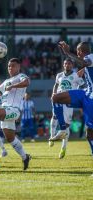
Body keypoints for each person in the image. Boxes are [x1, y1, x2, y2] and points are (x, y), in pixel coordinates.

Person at [0, 58, 31, 170]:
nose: (10, 68)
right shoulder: (5, 82)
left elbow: (27, 82)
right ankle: (25, 157)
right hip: (6, 110)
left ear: (18, 67)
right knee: (10, 138)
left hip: (14, 110)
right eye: (9, 66)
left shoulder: (21, 76)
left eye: (13, 65)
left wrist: (13, 86)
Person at [49, 41, 93, 174]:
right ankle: (62, 129)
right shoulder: (86, 64)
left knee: (90, 132)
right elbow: (82, 69)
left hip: (91, 98)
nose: (77, 53)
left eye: (78, 51)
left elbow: (83, 62)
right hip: (85, 94)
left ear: (81, 51)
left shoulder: (90, 57)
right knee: (55, 97)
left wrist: (68, 53)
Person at [49, 58, 85, 159]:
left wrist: (77, 94)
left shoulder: (76, 76)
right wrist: (53, 93)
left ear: (72, 65)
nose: (67, 65)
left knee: (66, 125)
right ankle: (51, 136)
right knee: (55, 116)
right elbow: (56, 85)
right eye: (65, 63)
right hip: (59, 98)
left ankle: (63, 147)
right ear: (63, 65)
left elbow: (83, 86)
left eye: (69, 64)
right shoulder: (59, 75)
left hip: (69, 101)